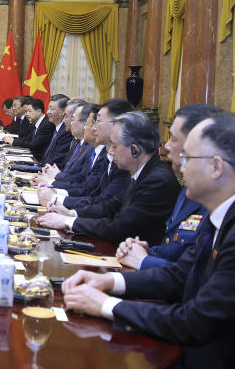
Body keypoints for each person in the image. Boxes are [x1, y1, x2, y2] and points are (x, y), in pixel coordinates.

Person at [62, 113, 235, 369]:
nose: (177, 163)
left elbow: (196, 321)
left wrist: (106, 305)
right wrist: (111, 283)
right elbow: (180, 274)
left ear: (216, 167)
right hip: (191, 355)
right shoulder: (231, 211)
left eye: (188, 157)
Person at [37, 111, 180, 245]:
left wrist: (68, 221)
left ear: (135, 150)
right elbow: (110, 206)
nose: (110, 152)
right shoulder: (143, 170)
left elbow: (119, 228)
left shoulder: (157, 180)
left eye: (114, 146)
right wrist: (71, 213)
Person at [116, 103, 219, 270]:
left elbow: (194, 275)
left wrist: (145, 261)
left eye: (173, 138)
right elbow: (175, 249)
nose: (167, 145)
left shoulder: (217, 202)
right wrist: (148, 251)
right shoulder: (188, 188)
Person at [38, 98, 134, 210]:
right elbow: (92, 192)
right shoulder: (105, 154)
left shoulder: (118, 160)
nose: (93, 128)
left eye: (97, 122)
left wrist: (55, 194)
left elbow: (99, 200)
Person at [40, 95, 74, 168]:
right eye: (48, 108)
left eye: (52, 109)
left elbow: (58, 161)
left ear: (63, 111)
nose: (48, 112)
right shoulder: (55, 127)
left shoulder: (66, 131)